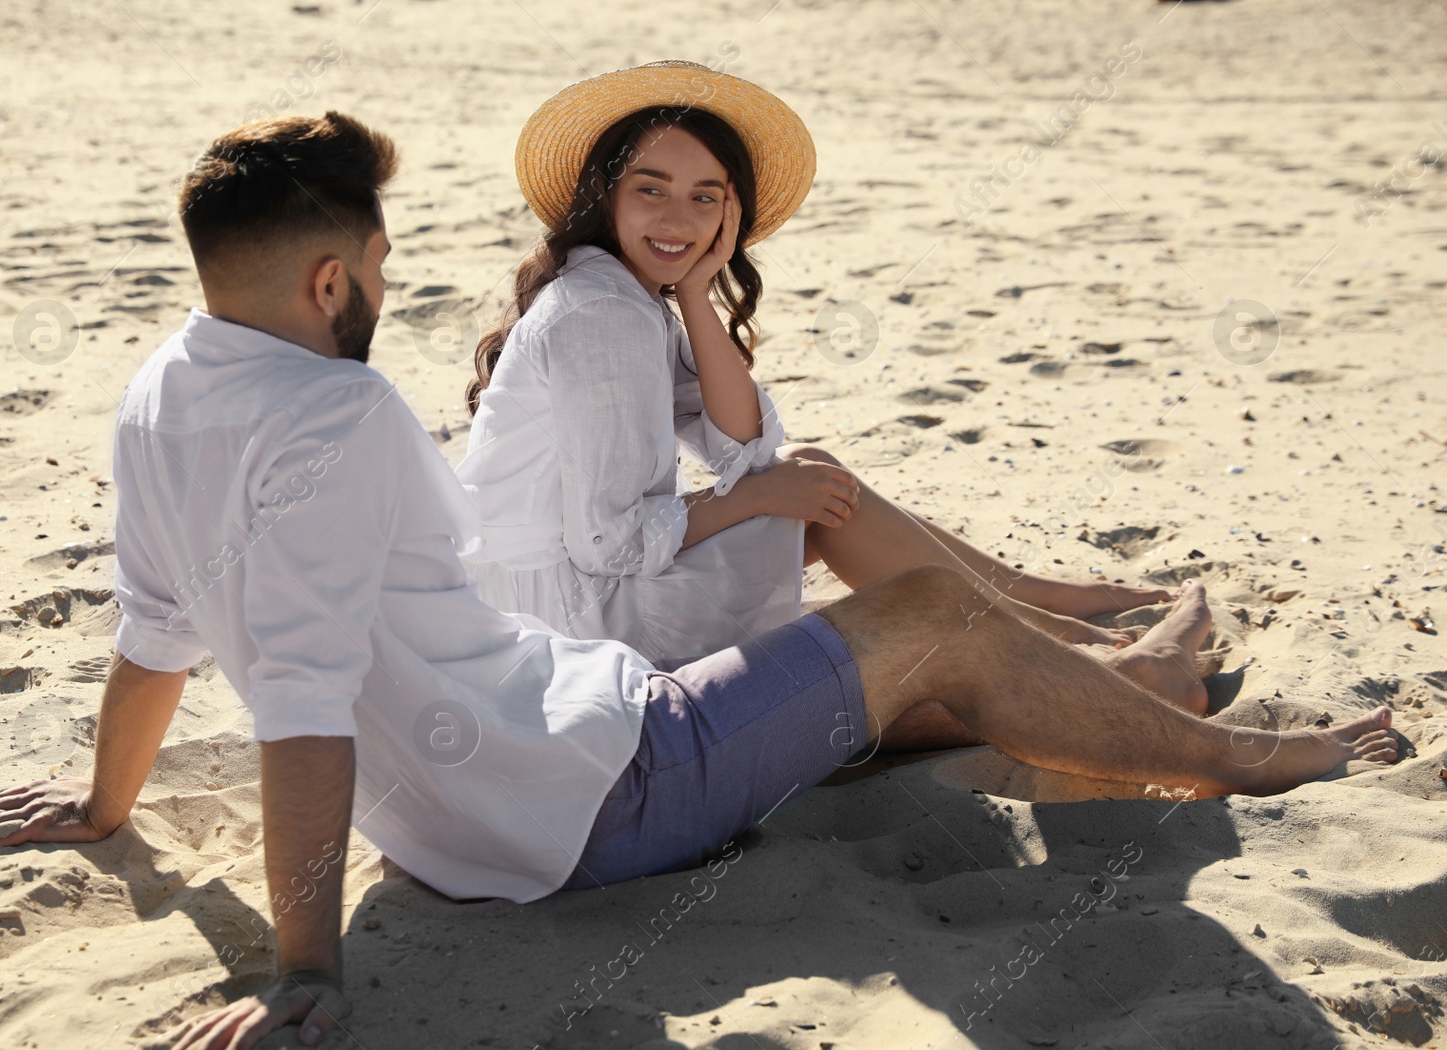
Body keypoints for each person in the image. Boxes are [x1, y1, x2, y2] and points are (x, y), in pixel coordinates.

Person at [0, 111, 1400, 1050]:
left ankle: (1119, 680)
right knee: (935, 619)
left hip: (525, 769)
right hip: (599, 789)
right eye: (385, 270)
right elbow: (296, 707)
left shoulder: (161, 394)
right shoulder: (341, 419)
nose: (395, 291)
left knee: (905, 643)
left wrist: (107, 809)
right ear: (335, 278)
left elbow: (156, 632)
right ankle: (1257, 757)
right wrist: (307, 964)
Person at [456, 61, 1176, 693]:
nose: (678, 218)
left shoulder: (630, 298)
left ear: (729, 216)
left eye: (706, 198)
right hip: (569, 625)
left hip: (575, 595)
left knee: (809, 476)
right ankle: (1041, 626)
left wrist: (701, 293)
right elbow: (608, 543)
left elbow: (741, 446)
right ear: (605, 195)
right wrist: (761, 496)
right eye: (652, 189)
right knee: (814, 491)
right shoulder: (600, 315)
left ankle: (1032, 600)